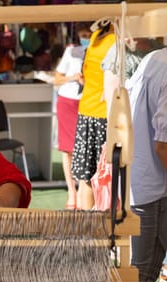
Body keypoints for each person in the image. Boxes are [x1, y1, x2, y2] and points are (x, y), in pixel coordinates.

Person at [123, 48, 167, 282]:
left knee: (141, 271)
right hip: (154, 185)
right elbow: (163, 146)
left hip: (142, 177)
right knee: (141, 273)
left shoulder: (154, 58)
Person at [70, 23, 115, 210]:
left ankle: (85, 228)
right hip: (105, 114)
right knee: (105, 177)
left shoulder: (96, 36)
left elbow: (86, 73)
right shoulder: (116, 40)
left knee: (86, 177)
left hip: (87, 110)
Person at [53, 22, 92, 209]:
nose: (85, 38)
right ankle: (71, 192)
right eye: (83, 34)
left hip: (88, 102)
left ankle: (86, 190)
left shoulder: (98, 52)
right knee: (67, 149)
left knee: (86, 148)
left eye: (88, 34)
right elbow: (56, 79)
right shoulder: (71, 51)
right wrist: (73, 77)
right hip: (68, 101)